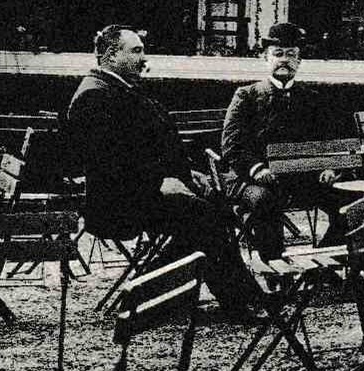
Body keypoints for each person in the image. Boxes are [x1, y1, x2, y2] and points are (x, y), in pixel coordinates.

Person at [65, 25, 263, 320]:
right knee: (205, 219)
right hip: (119, 202)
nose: (144, 58)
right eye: (136, 50)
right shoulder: (94, 96)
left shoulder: (118, 88)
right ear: (110, 55)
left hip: (143, 191)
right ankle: (235, 302)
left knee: (212, 215)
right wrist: (161, 181)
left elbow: (150, 145)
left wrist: (185, 173)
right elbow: (111, 164)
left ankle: (153, 295)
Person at [219, 22, 342, 261]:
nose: (284, 60)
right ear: (265, 58)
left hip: (299, 178)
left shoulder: (312, 99)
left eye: (291, 55)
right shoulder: (247, 95)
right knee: (265, 201)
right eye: (278, 54)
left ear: (300, 61)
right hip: (250, 180)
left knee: (350, 201)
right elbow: (231, 146)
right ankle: (274, 266)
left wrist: (330, 167)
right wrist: (257, 169)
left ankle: (324, 261)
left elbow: (328, 139)